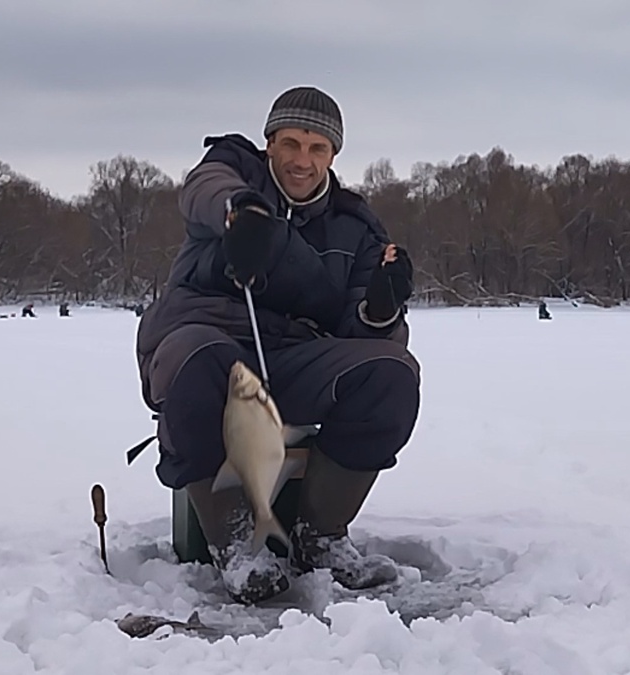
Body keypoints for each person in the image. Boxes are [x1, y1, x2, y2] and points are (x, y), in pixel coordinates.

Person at [133, 86, 420, 604]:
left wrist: (381, 307)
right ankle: (237, 544)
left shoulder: (356, 227)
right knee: (200, 362)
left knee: (391, 373)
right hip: (206, 336)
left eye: (317, 149)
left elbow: (359, 334)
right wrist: (241, 213)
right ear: (269, 144)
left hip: (291, 355)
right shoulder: (232, 172)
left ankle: (321, 536)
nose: (301, 161)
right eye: (290, 144)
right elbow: (205, 187)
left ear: (334, 155)